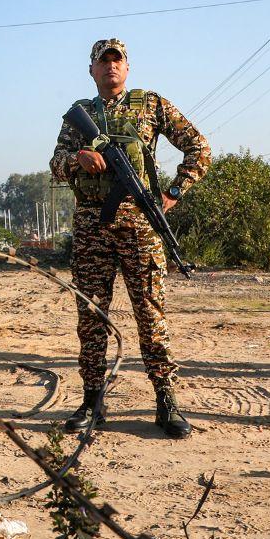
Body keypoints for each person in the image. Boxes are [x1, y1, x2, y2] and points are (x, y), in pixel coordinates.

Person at [49, 38, 210, 439]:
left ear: (127, 67)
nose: (110, 68)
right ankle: (92, 400)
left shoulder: (152, 106)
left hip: (141, 227)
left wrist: (174, 193)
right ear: (91, 70)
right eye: (102, 62)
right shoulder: (80, 115)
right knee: (91, 317)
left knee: (151, 316)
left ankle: (166, 401)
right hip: (91, 229)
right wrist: (77, 159)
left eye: (116, 61)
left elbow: (199, 148)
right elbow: (54, 164)